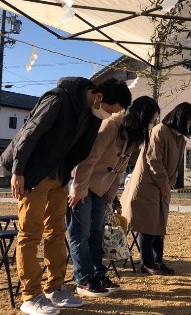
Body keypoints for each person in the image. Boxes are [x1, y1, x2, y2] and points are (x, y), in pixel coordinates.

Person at [0, 77, 131, 315]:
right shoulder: (58, 99)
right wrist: (18, 172)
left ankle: (55, 287)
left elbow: (81, 151)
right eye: (111, 111)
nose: (110, 117)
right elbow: (30, 133)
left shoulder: (89, 113)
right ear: (100, 97)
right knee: (30, 234)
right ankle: (30, 295)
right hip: (34, 174)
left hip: (59, 177)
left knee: (57, 233)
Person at [68, 96, 160, 296]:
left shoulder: (132, 134)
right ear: (140, 116)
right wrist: (77, 189)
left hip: (101, 189)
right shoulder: (111, 126)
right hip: (83, 184)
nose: (151, 124)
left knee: (97, 233)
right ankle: (83, 279)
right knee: (80, 234)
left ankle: (97, 273)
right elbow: (89, 159)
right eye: (151, 120)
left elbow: (120, 168)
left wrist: (111, 194)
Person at [121, 102, 191, 275]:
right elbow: (153, 159)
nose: (189, 124)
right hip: (147, 185)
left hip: (163, 187)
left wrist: (169, 184)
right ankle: (147, 262)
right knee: (148, 225)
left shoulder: (180, 139)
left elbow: (176, 167)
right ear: (178, 117)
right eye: (187, 120)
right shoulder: (160, 130)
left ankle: (158, 260)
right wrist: (163, 183)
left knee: (159, 224)